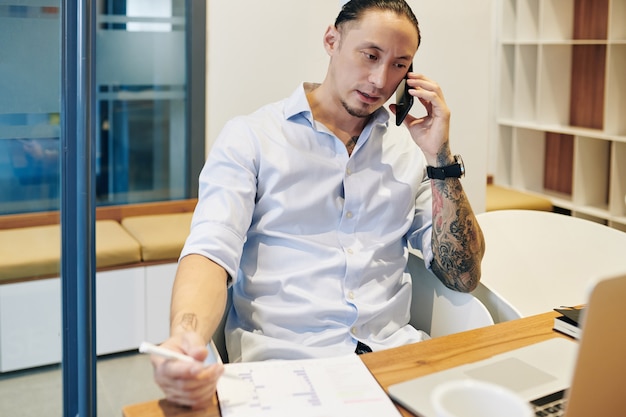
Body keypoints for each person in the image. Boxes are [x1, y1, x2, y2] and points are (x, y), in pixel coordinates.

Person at [151, 0, 485, 409]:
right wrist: (187, 336)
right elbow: (209, 252)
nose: (381, 80)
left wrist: (441, 160)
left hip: (395, 358)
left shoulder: (409, 150)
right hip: (286, 369)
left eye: (400, 65)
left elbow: (463, 276)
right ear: (332, 40)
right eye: (370, 55)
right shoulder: (253, 137)